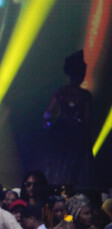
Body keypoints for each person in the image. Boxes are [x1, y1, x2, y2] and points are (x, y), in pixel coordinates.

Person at [42, 50, 93, 188]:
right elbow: (87, 119)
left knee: (63, 162)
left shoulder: (65, 91)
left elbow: (48, 112)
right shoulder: (81, 94)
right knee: (69, 162)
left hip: (66, 132)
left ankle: (62, 185)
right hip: (72, 134)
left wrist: (46, 123)